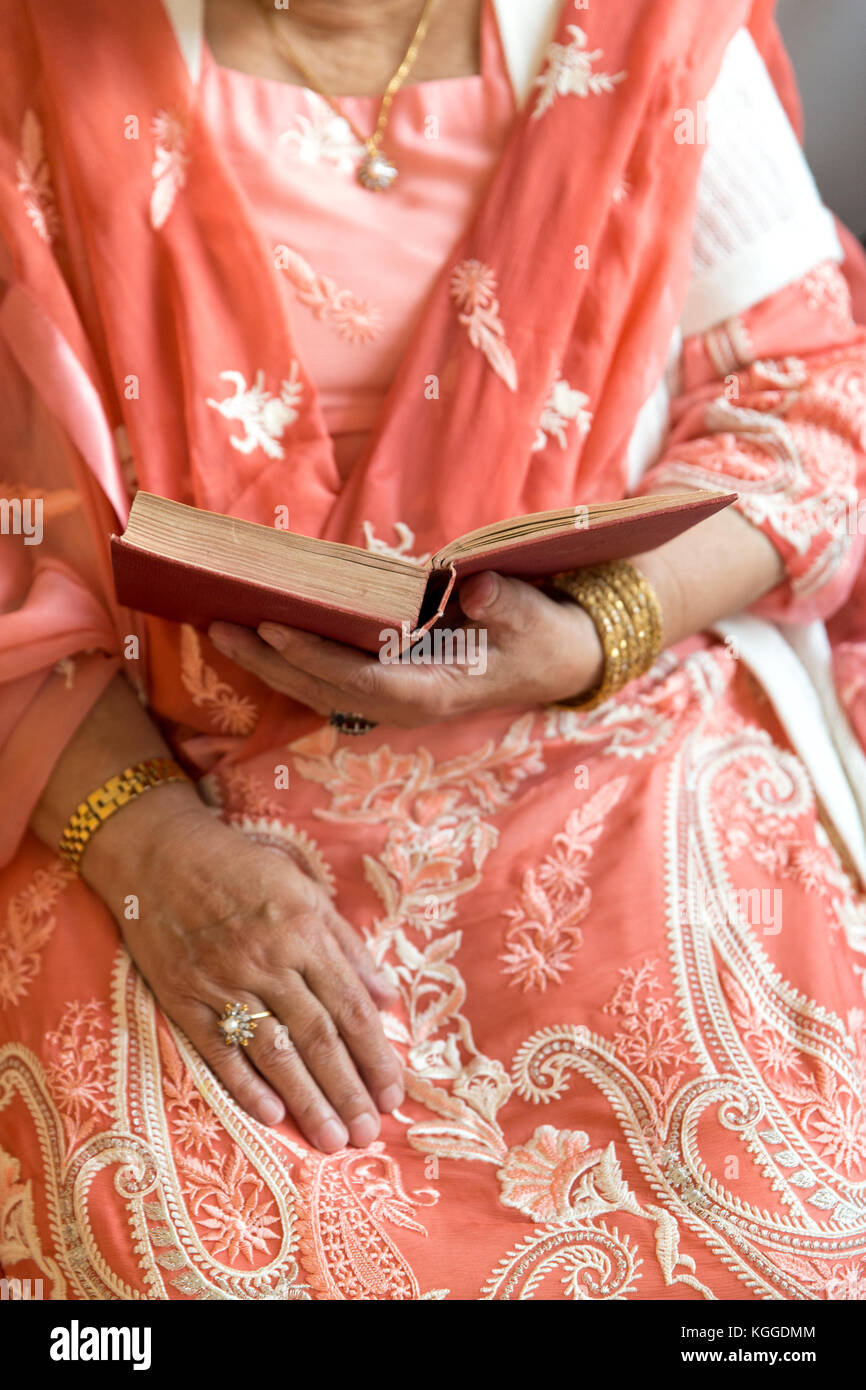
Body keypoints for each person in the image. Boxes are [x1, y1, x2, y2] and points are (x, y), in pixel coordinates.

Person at [1, 0, 865, 1301]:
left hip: (603, 738)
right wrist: (152, 847)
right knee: (158, 1250)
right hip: (167, 772)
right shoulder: (40, 53)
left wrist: (587, 633)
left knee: (779, 1227)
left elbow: (810, 403)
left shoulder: (644, 25)